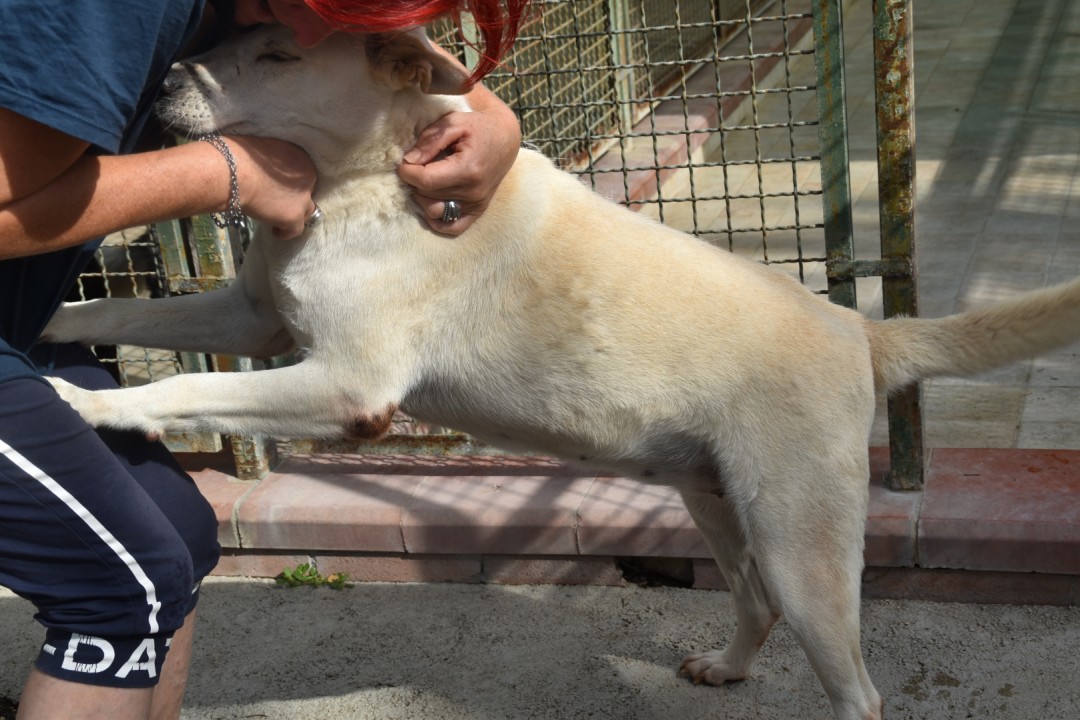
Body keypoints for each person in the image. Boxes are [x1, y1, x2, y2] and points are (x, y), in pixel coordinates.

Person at [0, 1, 529, 718]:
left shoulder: (310, 22)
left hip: (20, 317)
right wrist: (230, 171)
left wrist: (490, 115)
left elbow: (260, 324)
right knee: (124, 586)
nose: (317, 31)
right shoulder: (108, 11)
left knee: (181, 537)